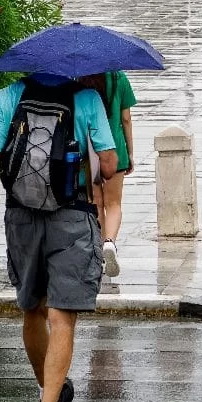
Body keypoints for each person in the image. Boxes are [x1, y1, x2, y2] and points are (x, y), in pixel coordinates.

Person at [0, 73, 117, 402]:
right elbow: (110, 166)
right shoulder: (87, 99)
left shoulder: (8, 96)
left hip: (21, 217)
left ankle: (46, 387)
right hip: (73, 217)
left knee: (33, 309)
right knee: (62, 315)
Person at [82, 71, 137, 278]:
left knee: (96, 202)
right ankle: (110, 243)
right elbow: (126, 118)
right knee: (114, 203)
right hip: (116, 150)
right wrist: (130, 152)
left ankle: (100, 250)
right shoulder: (119, 78)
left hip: (91, 149)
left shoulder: (80, 79)